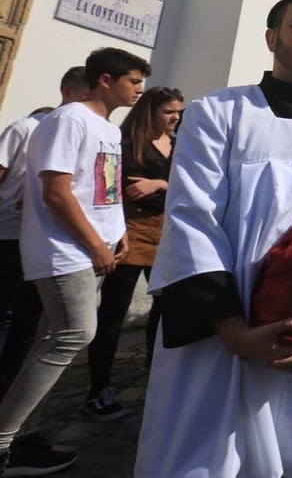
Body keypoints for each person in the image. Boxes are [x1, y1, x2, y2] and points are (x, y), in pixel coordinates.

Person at [134, 0, 292, 478]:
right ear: (272, 38)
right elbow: (192, 220)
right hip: (226, 334)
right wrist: (233, 329)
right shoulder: (220, 113)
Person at [0, 48, 149, 474]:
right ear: (105, 79)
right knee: (75, 333)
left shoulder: (108, 128)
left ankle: (23, 432)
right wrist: (94, 244)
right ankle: (3, 440)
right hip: (64, 250)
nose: (139, 89)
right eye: (133, 81)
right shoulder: (67, 120)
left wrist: (117, 231)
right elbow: (56, 191)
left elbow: (104, 188)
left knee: (51, 341)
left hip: (93, 251)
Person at [84, 86, 184, 421]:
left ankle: (156, 369)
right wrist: (115, 230)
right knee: (114, 311)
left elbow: (186, 183)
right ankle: (98, 388)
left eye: (178, 112)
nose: (175, 117)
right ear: (150, 111)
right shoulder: (124, 141)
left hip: (165, 230)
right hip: (131, 229)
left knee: (166, 305)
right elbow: (109, 188)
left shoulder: (175, 144)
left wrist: (159, 185)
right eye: (169, 111)